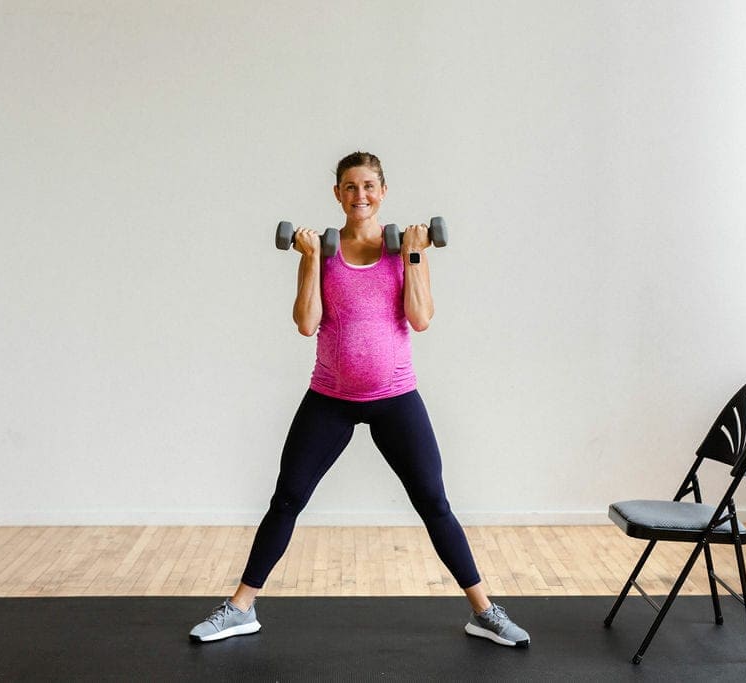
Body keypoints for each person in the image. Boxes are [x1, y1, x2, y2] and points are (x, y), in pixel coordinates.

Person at [189, 151, 529, 648]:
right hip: (331, 397)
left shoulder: (405, 250)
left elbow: (420, 318)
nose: (360, 196)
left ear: (384, 191)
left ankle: (484, 611)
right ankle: (240, 608)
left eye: (369, 186)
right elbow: (306, 324)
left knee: (433, 502)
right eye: (350, 187)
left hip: (395, 397)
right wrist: (309, 260)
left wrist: (413, 253)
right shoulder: (324, 252)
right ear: (337, 195)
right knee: (287, 499)